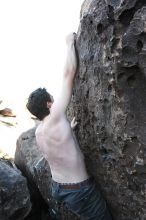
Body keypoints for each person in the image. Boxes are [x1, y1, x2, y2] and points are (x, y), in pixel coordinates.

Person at [26, 33, 112, 220]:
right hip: (80, 190)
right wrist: (69, 43)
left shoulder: (40, 132)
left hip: (59, 187)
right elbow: (68, 75)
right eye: (52, 98)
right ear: (49, 105)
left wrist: (69, 129)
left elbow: (56, 149)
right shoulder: (56, 115)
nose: (54, 99)